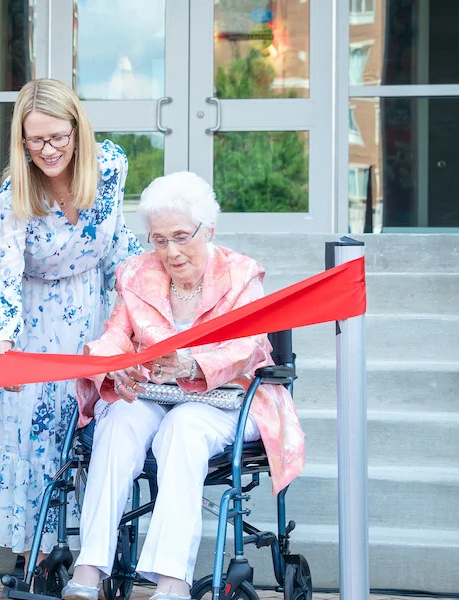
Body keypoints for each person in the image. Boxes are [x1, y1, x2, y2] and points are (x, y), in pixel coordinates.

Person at [62, 172, 305, 600]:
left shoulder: (242, 274)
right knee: (118, 418)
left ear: (207, 229)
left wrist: (193, 361)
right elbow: (117, 333)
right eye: (159, 240)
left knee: (184, 428)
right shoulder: (135, 273)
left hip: (230, 400)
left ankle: (172, 582)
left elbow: (250, 346)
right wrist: (110, 363)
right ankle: (90, 566)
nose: (170, 252)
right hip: (159, 393)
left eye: (180, 236)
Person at [0, 78, 143, 559]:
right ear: (22, 141)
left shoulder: (111, 168)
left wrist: (138, 317)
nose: (49, 149)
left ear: (78, 130)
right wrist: (3, 349)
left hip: (92, 321)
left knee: (92, 438)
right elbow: (2, 278)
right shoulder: (14, 197)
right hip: (34, 328)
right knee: (37, 440)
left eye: (59, 136)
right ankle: (37, 556)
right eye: (36, 140)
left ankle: (93, 558)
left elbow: (118, 245)